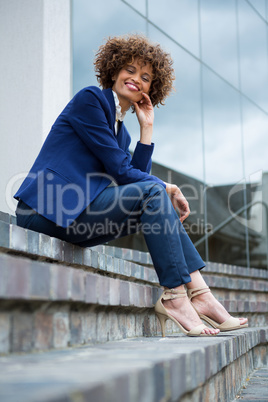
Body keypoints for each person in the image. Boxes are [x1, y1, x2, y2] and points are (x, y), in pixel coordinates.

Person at [15, 34, 248, 337]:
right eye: (130, 70)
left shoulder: (121, 133)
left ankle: (200, 295)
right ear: (113, 71)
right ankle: (178, 297)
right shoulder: (90, 101)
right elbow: (125, 174)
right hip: (43, 210)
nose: (136, 79)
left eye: (146, 77)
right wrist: (169, 187)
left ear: (152, 89)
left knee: (153, 196)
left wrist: (146, 128)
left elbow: (134, 180)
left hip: (75, 215)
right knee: (154, 192)